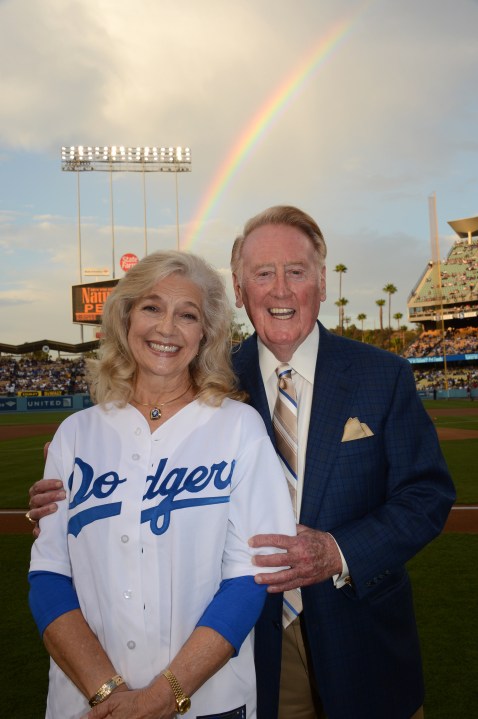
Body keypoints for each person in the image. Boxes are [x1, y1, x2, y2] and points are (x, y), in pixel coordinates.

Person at [29, 206, 456, 719]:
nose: (279, 290)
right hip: (252, 645)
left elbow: (427, 494)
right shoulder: (209, 378)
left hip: (360, 633)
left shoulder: (381, 374)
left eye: (295, 272)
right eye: (262, 274)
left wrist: (338, 551)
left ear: (321, 280)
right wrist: (76, 498)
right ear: (239, 287)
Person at [27, 249, 296, 719]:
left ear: (206, 334)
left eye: (187, 315)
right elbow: (49, 577)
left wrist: (159, 698)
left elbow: (249, 578)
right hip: (86, 703)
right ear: (126, 317)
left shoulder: (238, 427)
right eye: (152, 307)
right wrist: (109, 695)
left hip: (207, 701)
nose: (167, 328)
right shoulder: (76, 434)